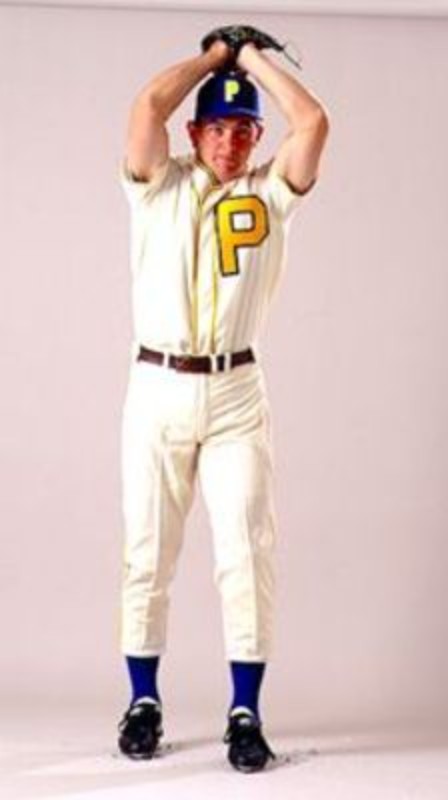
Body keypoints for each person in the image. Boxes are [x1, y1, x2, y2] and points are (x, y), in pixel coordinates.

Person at [116, 33, 329, 773]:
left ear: (256, 137)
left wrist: (253, 63)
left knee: (246, 551)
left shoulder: (269, 195)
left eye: (244, 129)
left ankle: (245, 712)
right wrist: (214, 59)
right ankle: (143, 702)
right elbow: (146, 107)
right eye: (218, 127)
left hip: (237, 390)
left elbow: (314, 123)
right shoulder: (157, 183)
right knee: (147, 552)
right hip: (159, 386)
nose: (231, 142)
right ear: (195, 131)